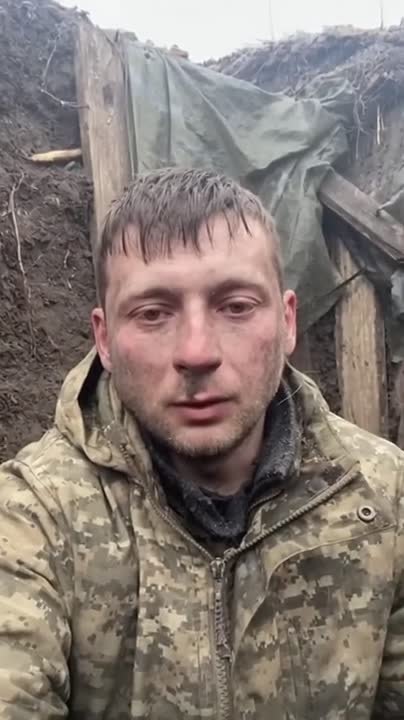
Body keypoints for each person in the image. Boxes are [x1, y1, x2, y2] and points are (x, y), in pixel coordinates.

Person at [0, 167, 403, 720]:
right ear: (105, 339)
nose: (196, 352)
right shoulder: (31, 519)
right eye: (153, 313)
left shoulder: (384, 499)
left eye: (235, 306)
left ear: (287, 322)